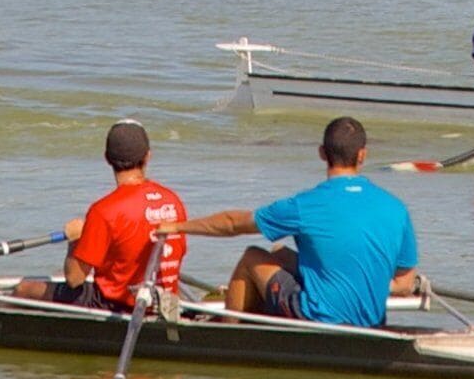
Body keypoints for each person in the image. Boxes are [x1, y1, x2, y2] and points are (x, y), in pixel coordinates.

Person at [173, 116, 423, 328]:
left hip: (318, 318)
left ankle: (230, 336)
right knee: (279, 251)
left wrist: (175, 227)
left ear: (322, 153)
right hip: (371, 321)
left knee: (252, 257)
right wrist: (358, 283)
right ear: (362, 155)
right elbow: (404, 284)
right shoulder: (396, 208)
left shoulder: (305, 205)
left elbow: (232, 224)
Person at [15, 119, 185, 309]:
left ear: (107, 158)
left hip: (116, 305)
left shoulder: (104, 210)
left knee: (24, 289)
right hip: (163, 303)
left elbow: (75, 278)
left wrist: (75, 240)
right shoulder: (173, 200)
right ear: (148, 157)